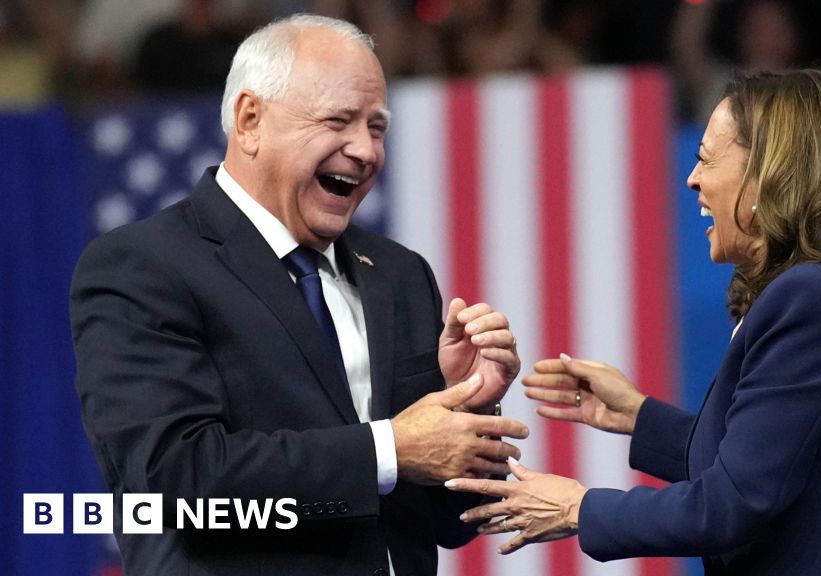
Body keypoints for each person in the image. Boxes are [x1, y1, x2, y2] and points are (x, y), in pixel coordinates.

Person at [71, 14, 529, 576]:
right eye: (338, 120)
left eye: (378, 127)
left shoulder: (399, 274)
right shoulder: (144, 266)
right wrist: (390, 449)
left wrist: (467, 402)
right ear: (250, 120)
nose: (364, 150)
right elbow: (176, 483)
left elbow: (449, 520)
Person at [446, 69, 821, 575]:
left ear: (771, 174)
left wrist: (578, 506)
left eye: (707, 158)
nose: (693, 179)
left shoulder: (811, 297)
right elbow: (764, 458)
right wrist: (640, 417)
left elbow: (733, 502)